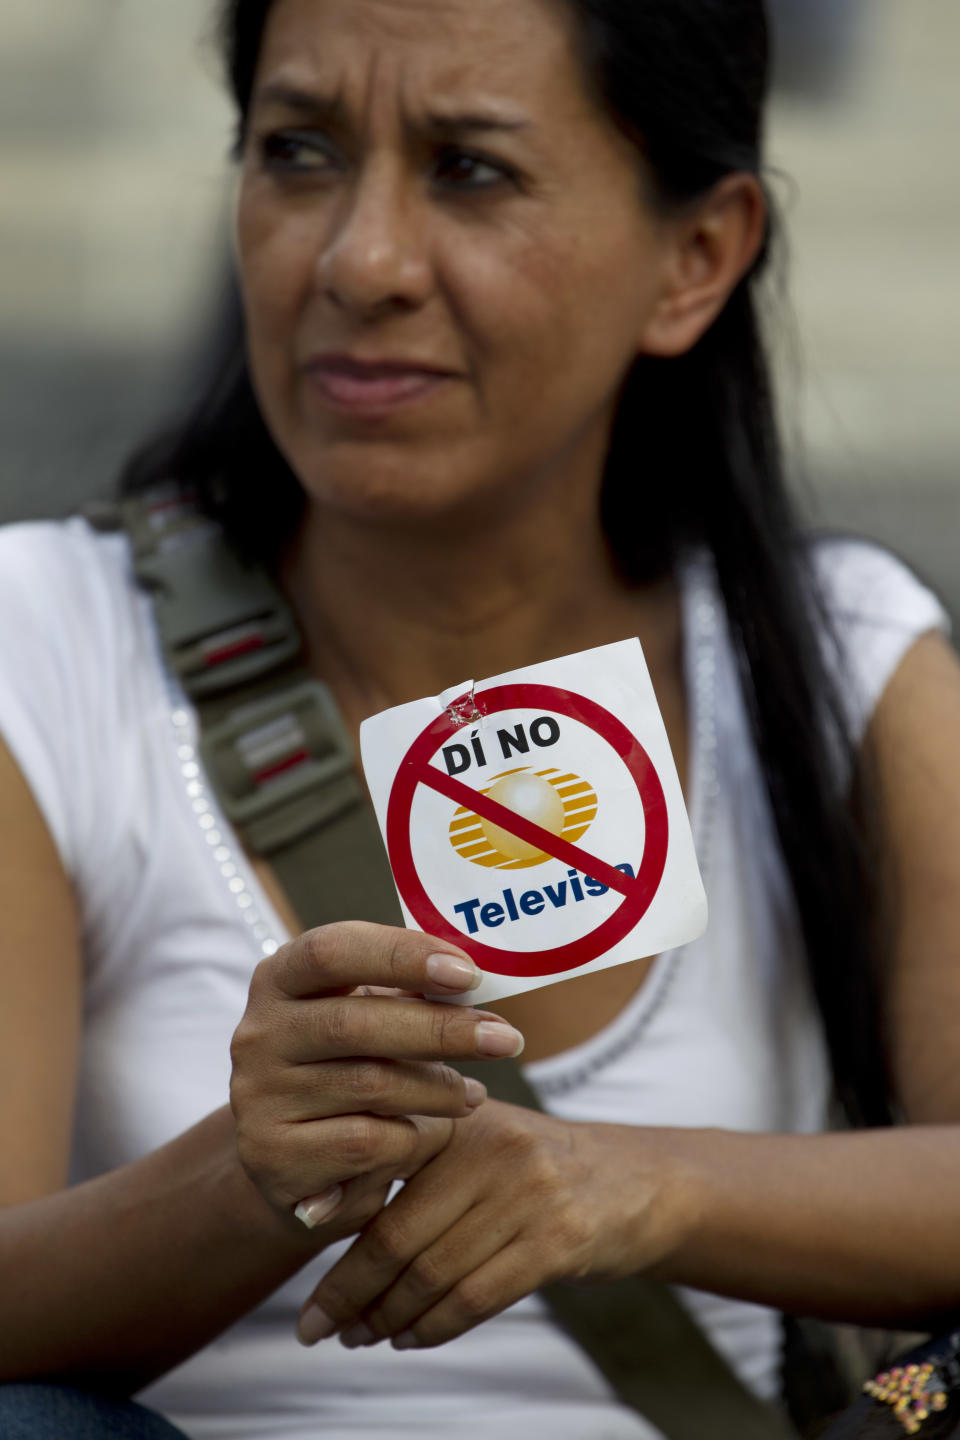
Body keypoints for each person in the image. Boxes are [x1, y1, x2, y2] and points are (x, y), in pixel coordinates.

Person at [1, 0, 959, 1438]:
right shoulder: (43, 640)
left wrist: (641, 1187)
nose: (360, 260)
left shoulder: (841, 660)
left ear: (695, 260)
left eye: (472, 170)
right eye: (298, 151)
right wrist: (248, 1173)